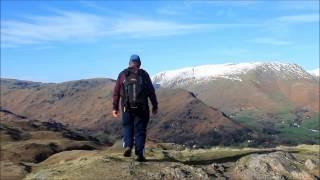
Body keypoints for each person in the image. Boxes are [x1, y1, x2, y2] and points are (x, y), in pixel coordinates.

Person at [112, 54, 158, 162]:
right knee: (140, 130)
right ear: (140, 63)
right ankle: (139, 153)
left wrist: (115, 108)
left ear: (129, 63)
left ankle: (128, 146)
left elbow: (116, 92)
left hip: (126, 107)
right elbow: (151, 92)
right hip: (142, 108)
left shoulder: (123, 74)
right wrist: (155, 105)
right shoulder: (144, 74)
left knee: (127, 127)